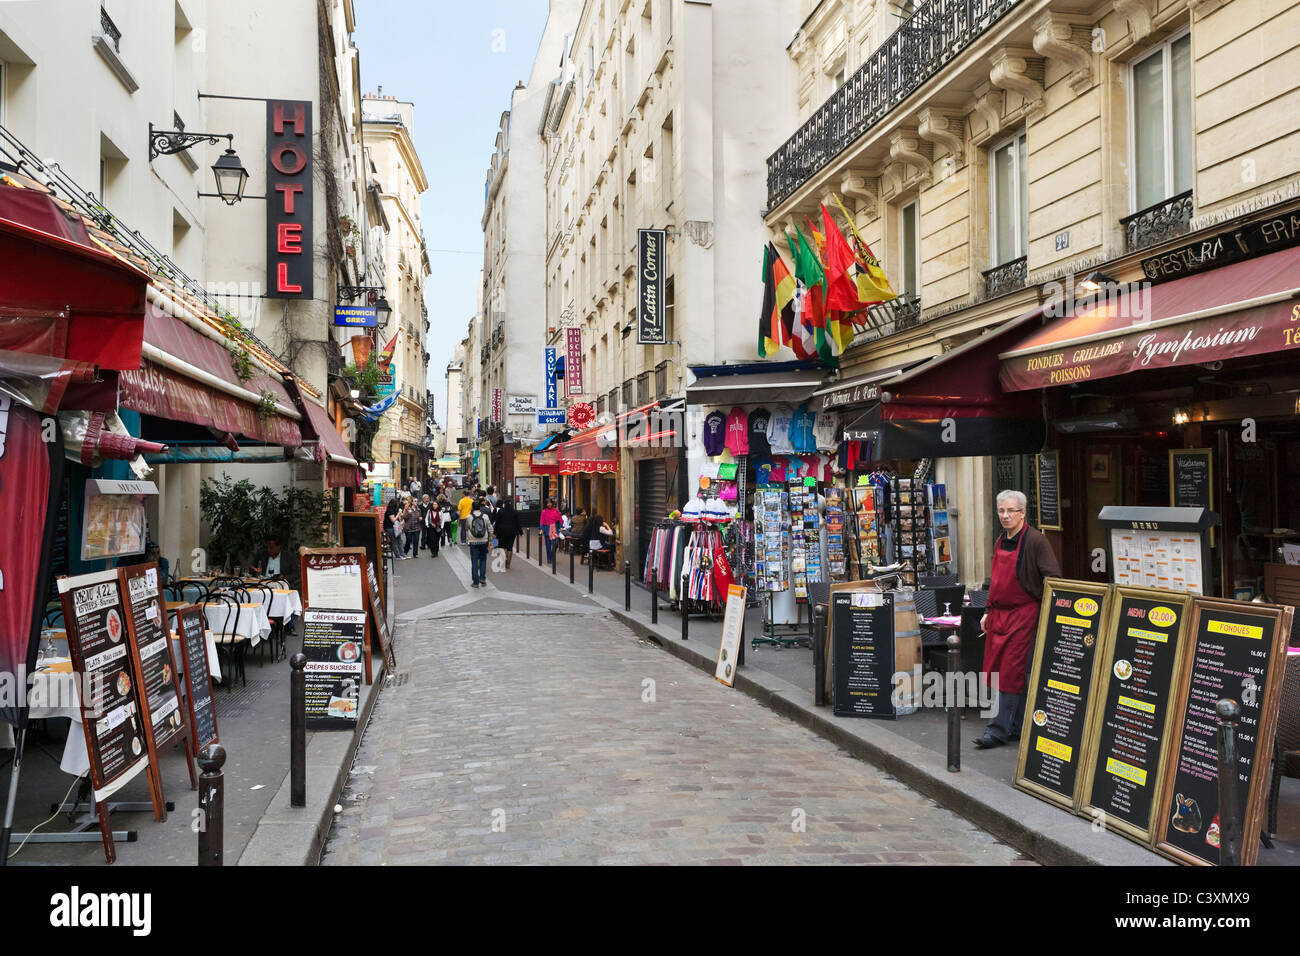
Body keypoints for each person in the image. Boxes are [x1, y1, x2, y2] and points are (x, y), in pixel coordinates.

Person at [975, 489, 1063, 750]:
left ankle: (997, 730)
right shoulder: (1000, 541)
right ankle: (1016, 726)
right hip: (1000, 616)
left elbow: (1053, 577)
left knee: (1011, 672)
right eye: (1001, 511)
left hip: (1024, 615)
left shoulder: (1036, 541)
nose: (1005, 516)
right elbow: (997, 581)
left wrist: (1048, 612)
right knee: (1002, 671)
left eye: (1010, 511)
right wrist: (988, 611)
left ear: (1022, 513)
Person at [465, 496, 493, 587]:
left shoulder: (469, 517)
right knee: (483, 559)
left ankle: (475, 582)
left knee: (474, 561)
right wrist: (490, 540)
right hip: (484, 540)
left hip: (473, 541)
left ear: (472, 507)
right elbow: (490, 528)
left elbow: (467, 528)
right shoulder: (485, 516)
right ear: (480, 507)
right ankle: (482, 578)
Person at [493, 498, 522, 569]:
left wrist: (495, 532)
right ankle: (508, 564)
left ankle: (503, 562)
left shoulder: (501, 511)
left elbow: (497, 522)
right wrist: (521, 532)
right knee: (510, 547)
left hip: (502, 531)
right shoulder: (515, 512)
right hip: (512, 532)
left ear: (505, 504)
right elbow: (518, 523)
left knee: (503, 546)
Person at [539, 498, 562, 564]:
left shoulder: (556, 511)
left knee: (556, 543)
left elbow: (559, 520)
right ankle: (549, 559)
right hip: (547, 529)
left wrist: (560, 527)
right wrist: (541, 529)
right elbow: (542, 521)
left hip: (555, 529)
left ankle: (552, 554)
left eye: (550, 503)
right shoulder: (544, 511)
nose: (549, 504)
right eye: (547, 503)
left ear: (552, 503)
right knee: (548, 546)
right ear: (546, 504)